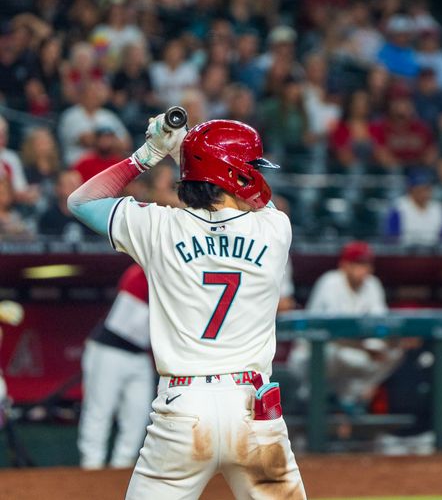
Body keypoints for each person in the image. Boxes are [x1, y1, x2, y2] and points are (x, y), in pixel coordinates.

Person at [67, 114, 305, 498]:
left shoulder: (159, 227)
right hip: (255, 412)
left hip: (183, 408)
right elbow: (259, 198)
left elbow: (80, 202)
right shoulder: (275, 229)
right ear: (234, 173)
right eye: (251, 167)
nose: (257, 176)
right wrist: (186, 149)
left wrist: (153, 151)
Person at [287, 242, 406, 414]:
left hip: (354, 352)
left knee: (394, 353)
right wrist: (365, 348)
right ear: (344, 265)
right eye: (358, 263)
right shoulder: (330, 282)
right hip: (313, 354)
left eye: (366, 264)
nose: (363, 269)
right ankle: (311, 395)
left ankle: (352, 397)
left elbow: (380, 326)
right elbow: (331, 332)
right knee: (330, 351)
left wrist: (390, 343)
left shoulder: (372, 284)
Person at [78, 264, 154, 469]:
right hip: (108, 349)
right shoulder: (140, 272)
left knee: (139, 413)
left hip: (140, 356)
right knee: (99, 409)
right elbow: (128, 327)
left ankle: (121, 467)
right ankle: (91, 465)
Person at [385, 170, 442, 245]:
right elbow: (392, 238)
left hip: (434, 253)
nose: (424, 193)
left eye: (427, 189)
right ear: (410, 189)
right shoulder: (399, 206)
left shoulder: (438, 208)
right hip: (404, 252)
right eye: (420, 189)